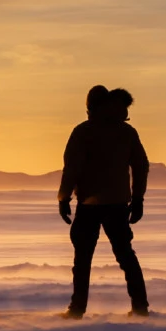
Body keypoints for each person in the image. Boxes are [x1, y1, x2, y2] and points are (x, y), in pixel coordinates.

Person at [57, 84, 150, 318]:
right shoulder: (127, 132)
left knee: (83, 259)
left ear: (91, 106)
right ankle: (140, 307)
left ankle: (77, 309)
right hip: (118, 203)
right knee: (126, 255)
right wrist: (138, 198)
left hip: (89, 204)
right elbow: (140, 167)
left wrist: (64, 197)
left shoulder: (83, 131)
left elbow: (72, 168)